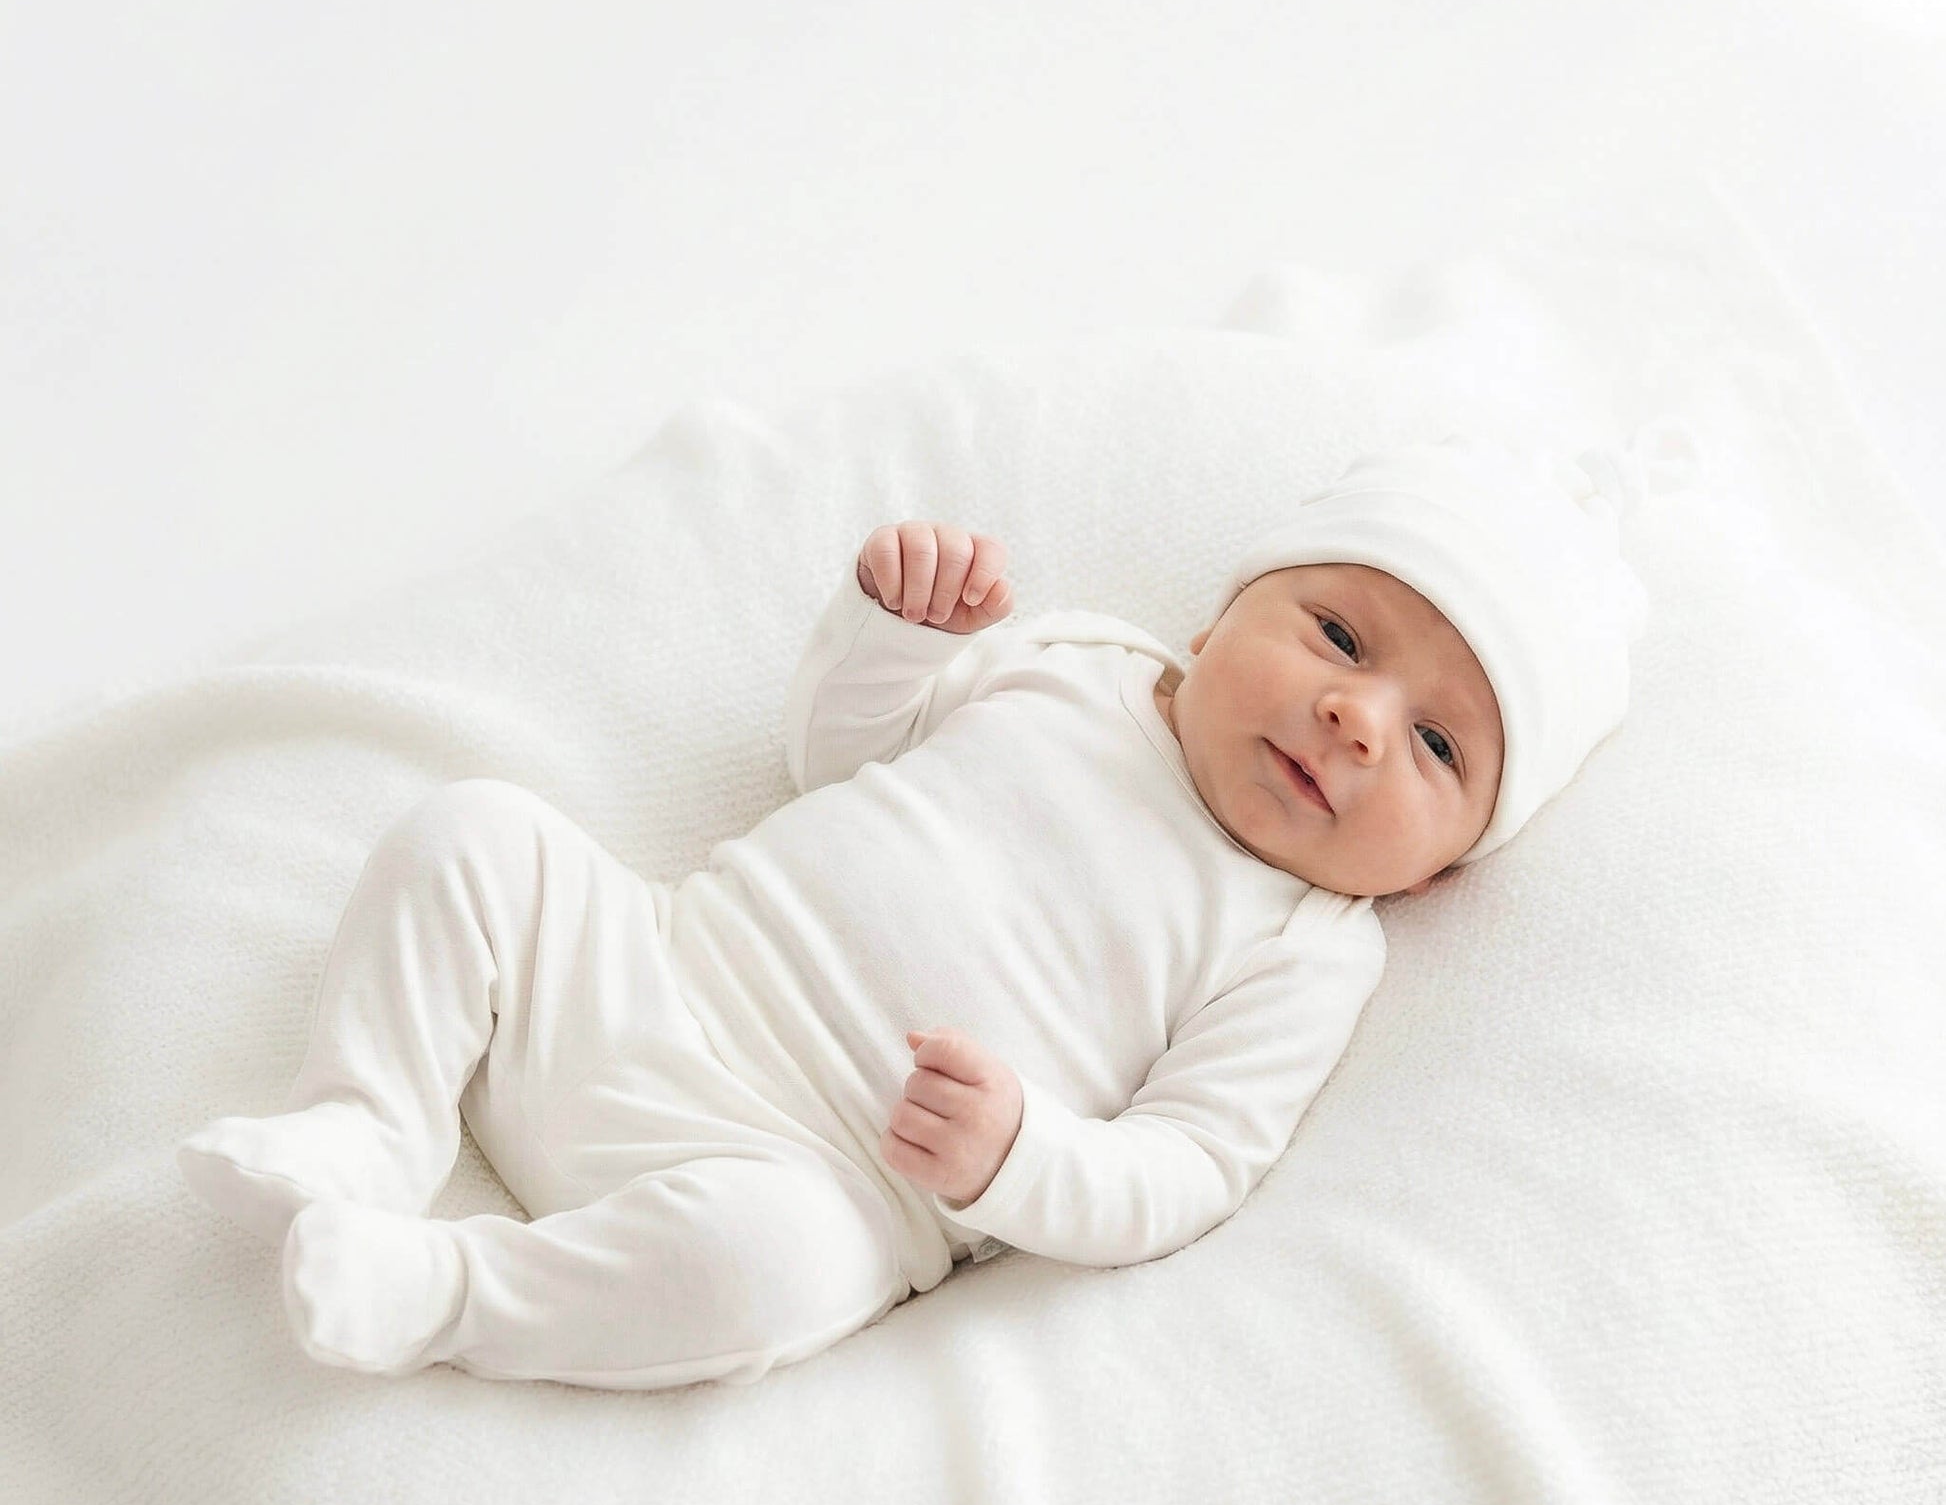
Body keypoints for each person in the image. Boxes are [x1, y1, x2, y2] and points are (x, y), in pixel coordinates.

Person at [176, 432, 1649, 1392]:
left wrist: (1022, 1157)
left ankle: (447, 1287)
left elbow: (1185, 1168)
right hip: (649, 968)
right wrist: (886, 639)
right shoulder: (1077, 661)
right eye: (1337, 633)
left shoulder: (1302, 944)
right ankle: (373, 1122)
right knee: (475, 832)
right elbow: (835, 755)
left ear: (1441, 869)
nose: (1353, 714)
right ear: (1213, 622)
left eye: (1439, 746)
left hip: (800, 1169)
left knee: (766, 1275)